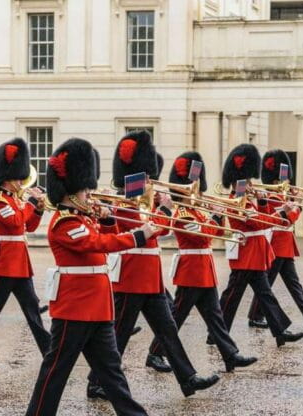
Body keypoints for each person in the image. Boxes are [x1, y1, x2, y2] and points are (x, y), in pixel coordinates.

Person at [87, 131, 219, 399]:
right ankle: (96, 382)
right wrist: (165, 211)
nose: (150, 180)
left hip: (150, 278)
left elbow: (159, 230)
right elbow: (144, 230)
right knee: (118, 334)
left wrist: (161, 208)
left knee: (168, 329)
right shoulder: (122, 202)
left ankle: (188, 378)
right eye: (146, 175)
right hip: (132, 276)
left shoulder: (143, 201)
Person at [26, 138, 150, 416]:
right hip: (76, 308)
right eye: (84, 192)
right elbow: (98, 245)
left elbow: (103, 240)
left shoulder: (83, 220)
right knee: (56, 370)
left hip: (97, 308)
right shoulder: (64, 223)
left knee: (112, 373)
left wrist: (107, 220)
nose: (88, 196)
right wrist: (139, 235)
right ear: (69, 195)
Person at [145, 152, 257, 373]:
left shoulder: (195, 210)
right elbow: (203, 236)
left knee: (215, 317)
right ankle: (155, 353)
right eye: (191, 186)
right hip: (191, 271)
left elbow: (219, 231)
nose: (195, 189)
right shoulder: (183, 214)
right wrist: (215, 217)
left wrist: (218, 216)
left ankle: (230, 355)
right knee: (176, 317)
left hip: (204, 270)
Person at [0, 138, 50, 365]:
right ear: (7, 178)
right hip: (5, 262)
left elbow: (28, 226)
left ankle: (48, 349)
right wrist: (31, 204)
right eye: (17, 178)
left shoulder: (15, 199)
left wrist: (38, 210)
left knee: (32, 310)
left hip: (19, 261)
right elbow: (15, 222)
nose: (21, 182)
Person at [218, 144, 303, 347]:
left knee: (266, 295)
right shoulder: (236, 200)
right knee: (231, 297)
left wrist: (265, 203)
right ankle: (216, 333)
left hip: (255, 254)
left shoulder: (246, 199)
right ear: (238, 181)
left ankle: (280, 331)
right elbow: (259, 223)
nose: (250, 184)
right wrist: (282, 212)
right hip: (245, 254)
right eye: (247, 181)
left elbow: (262, 218)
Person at [247, 149, 303, 329]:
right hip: (276, 243)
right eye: (283, 178)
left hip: (284, 244)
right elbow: (286, 220)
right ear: (276, 179)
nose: (287, 181)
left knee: (293, 283)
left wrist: (293, 200)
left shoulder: (280, 194)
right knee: (266, 283)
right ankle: (255, 316)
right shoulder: (273, 195)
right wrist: (298, 206)